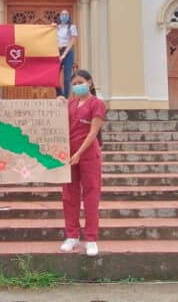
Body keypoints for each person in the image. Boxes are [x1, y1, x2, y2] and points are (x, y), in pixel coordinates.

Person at [59, 69, 105, 257]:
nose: (78, 86)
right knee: (69, 196)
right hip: (70, 156)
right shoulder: (71, 104)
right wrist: (58, 104)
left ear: (90, 83)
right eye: (75, 84)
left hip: (88, 156)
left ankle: (91, 238)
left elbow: (93, 132)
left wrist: (79, 153)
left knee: (91, 196)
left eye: (81, 82)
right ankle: (72, 236)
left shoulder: (97, 104)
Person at [54, 9, 78, 98]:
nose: (64, 16)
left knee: (67, 78)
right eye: (62, 14)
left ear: (68, 16)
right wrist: (51, 27)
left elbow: (73, 40)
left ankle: (66, 98)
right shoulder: (57, 27)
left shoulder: (72, 26)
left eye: (66, 14)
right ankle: (60, 94)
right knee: (54, 75)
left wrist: (64, 54)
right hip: (57, 51)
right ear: (60, 16)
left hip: (68, 52)